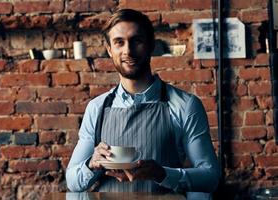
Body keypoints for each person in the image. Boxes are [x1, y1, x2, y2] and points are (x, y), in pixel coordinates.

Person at [66, 9, 220, 197]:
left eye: (136, 41)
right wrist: (91, 164)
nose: (128, 51)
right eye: (119, 42)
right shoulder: (97, 108)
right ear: (109, 50)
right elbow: (73, 181)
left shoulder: (186, 105)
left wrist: (162, 174)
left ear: (150, 45)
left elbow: (211, 177)